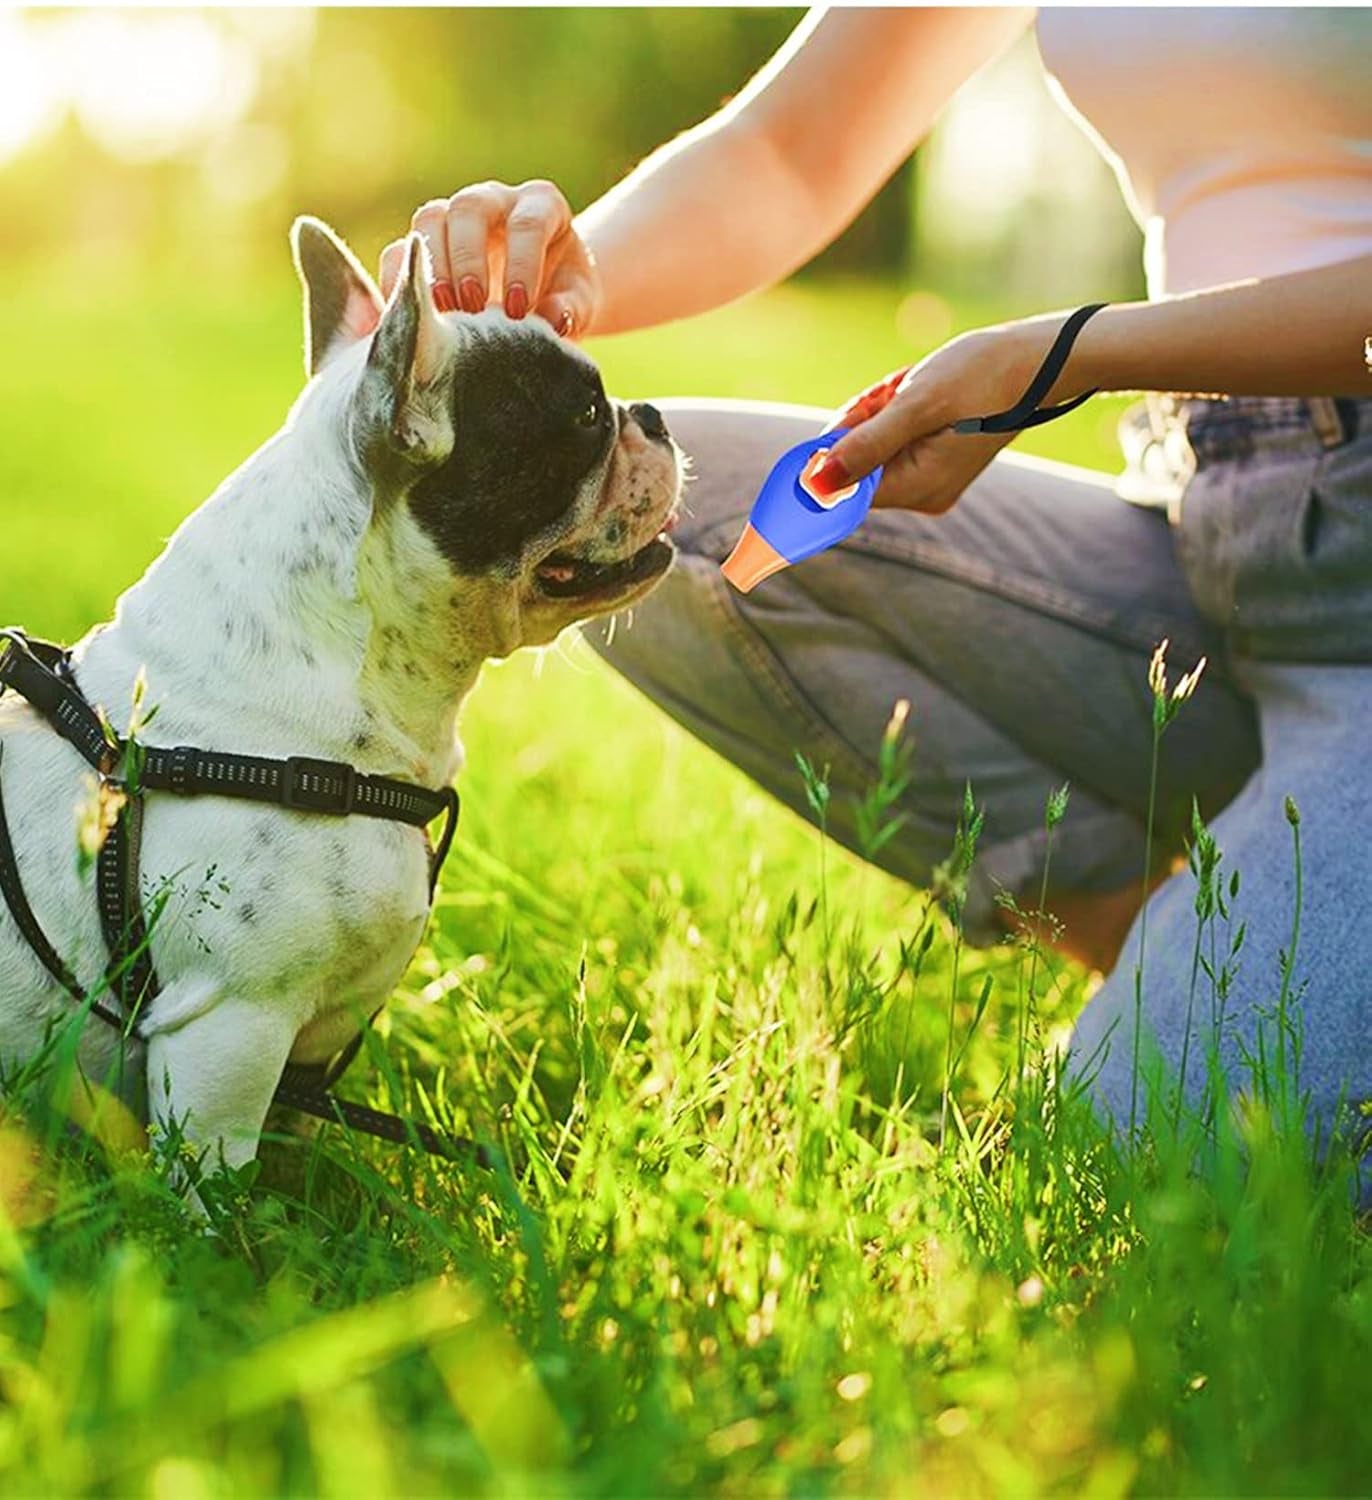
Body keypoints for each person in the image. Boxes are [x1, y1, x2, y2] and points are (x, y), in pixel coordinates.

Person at [382, 8, 1372, 1147]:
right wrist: (545, 295)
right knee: (670, 530)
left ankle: (1247, 975)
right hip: (1211, 520)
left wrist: (1077, 352)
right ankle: (1164, 938)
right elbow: (788, 154)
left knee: (1149, 1156)